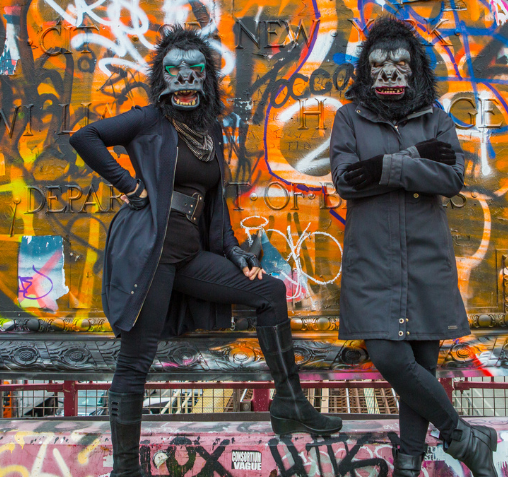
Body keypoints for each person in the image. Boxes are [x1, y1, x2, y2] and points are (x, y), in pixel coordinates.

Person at [70, 27, 342, 477]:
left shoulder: (210, 130)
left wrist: (236, 254)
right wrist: (131, 187)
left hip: (190, 251)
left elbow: (215, 205)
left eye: (194, 71)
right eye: (174, 71)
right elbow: (86, 138)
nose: (184, 79)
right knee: (136, 358)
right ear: (162, 78)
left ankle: (290, 402)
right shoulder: (147, 121)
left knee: (269, 292)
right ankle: (125, 469)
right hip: (151, 250)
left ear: (206, 79)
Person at [329, 17, 497, 477]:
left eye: (399, 66)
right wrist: (416, 159)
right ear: (367, 72)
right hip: (372, 265)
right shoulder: (349, 118)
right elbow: (346, 181)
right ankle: (463, 436)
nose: (389, 75)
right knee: (390, 358)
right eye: (380, 67)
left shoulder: (437, 118)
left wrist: (383, 167)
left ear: (415, 70)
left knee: (422, 363)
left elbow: (453, 177)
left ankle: (408, 461)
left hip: (426, 260)